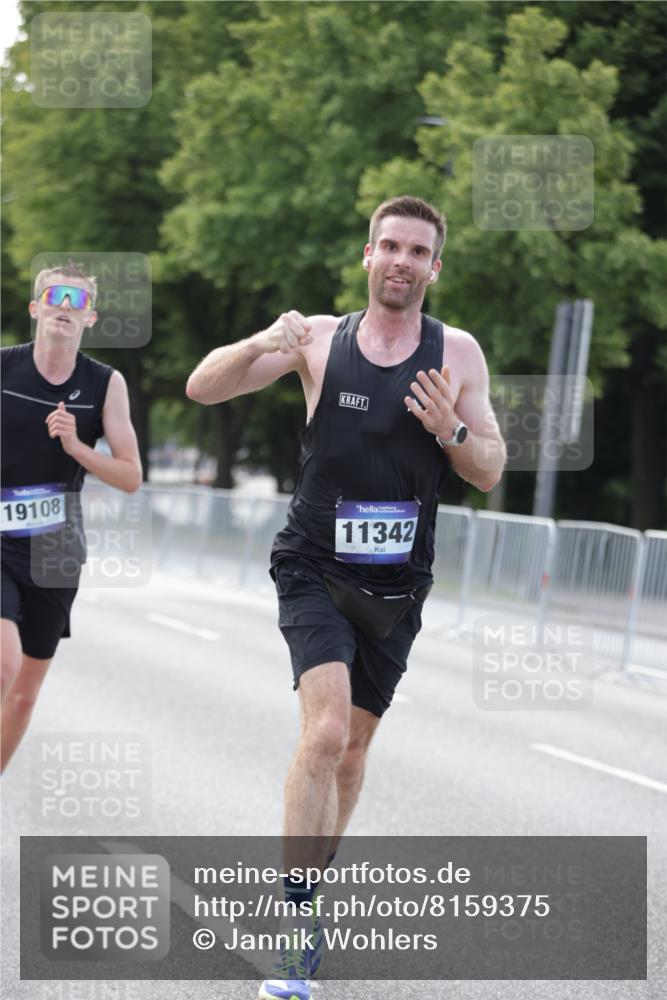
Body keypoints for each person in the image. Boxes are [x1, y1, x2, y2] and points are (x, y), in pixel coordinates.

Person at [186, 196, 506, 1000]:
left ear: (435, 266)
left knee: (354, 751)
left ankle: (311, 890)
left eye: (416, 251)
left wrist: (452, 432)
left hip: (398, 584)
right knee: (324, 731)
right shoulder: (319, 340)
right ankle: (296, 922)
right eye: (388, 246)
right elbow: (200, 388)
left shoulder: (457, 354)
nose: (401, 260)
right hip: (313, 564)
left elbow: (490, 466)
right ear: (367, 255)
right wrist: (264, 340)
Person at [1, 262, 142, 772]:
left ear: (90, 318)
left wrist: (75, 444)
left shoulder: (105, 383)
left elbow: (129, 476)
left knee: (23, 695)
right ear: (35, 307)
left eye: (77, 301)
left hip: (56, 551)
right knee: (4, 665)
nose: (65, 306)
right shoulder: (4, 367)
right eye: (55, 296)